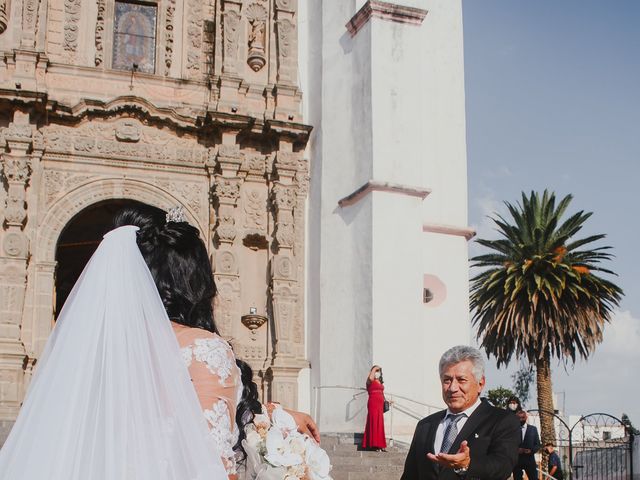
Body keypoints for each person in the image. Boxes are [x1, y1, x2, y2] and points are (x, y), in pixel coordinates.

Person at [0, 205, 318, 480]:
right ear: (196, 281)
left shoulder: (97, 350)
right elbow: (211, 462)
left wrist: (271, 413)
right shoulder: (204, 349)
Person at [401, 345, 521, 480]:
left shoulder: (502, 421)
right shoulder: (425, 425)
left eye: (461, 380)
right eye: (447, 380)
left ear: (480, 383)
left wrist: (467, 465)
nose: (452, 388)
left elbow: (502, 467)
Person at [362, 365, 387, 451]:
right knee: (373, 421)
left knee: (379, 423)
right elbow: (370, 377)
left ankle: (380, 445)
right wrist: (374, 368)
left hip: (379, 404)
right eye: (376, 371)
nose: (377, 372)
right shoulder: (370, 380)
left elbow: (381, 393)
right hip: (373, 403)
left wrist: (386, 401)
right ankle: (374, 444)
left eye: (378, 371)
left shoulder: (379, 381)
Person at [513, 409, 541, 480]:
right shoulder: (512, 430)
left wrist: (531, 451)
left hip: (529, 460)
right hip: (517, 460)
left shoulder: (533, 429)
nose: (521, 420)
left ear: (526, 418)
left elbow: (537, 444)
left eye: (523, 418)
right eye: (519, 418)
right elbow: (508, 444)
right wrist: (516, 450)